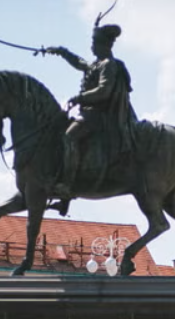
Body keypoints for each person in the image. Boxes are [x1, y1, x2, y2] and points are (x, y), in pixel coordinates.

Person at [42, 20, 137, 198]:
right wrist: (61, 51)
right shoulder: (97, 63)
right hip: (88, 113)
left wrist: (80, 98)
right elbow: (79, 62)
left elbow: (104, 91)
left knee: (69, 137)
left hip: (98, 115)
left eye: (94, 43)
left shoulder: (108, 64)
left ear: (103, 45)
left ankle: (67, 185)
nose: (92, 47)